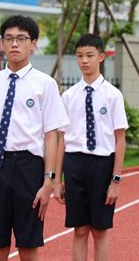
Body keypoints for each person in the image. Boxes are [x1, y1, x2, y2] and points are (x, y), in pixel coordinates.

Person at [0, 15, 69, 260]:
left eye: (21, 39)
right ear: (2, 43)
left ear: (33, 44)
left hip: (28, 167)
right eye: (9, 38)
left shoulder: (45, 85)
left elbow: (51, 136)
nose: (14, 44)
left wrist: (48, 181)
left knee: (28, 244)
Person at [53, 33, 128, 261]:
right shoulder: (68, 96)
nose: (84, 61)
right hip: (74, 165)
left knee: (99, 230)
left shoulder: (113, 95)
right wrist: (57, 180)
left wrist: (115, 181)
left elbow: (120, 139)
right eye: (80, 56)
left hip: (102, 165)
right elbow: (62, 139)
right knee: (80, 229)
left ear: (101, 57)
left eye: (90, 55)